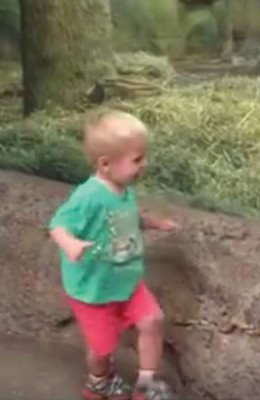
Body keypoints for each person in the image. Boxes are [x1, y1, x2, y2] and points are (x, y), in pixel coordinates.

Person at [48, 110, 178, 400]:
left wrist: (151, 222)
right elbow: (58, 225)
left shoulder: (123, 190)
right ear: (106, 164)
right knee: (102, 348)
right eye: (137, 159)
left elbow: (124, 220)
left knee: (152, 321)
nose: (145, 164)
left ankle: (145, 387)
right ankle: (98, 381)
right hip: (94, 290)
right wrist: (69, 244)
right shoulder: (88, 196)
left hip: (127, 281)